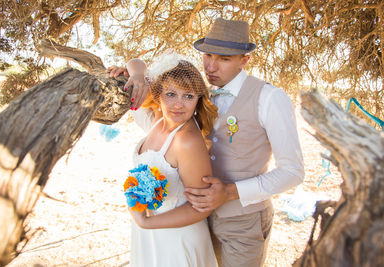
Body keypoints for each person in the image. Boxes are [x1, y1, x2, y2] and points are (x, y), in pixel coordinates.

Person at [108, 18, 304, 267]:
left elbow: (293, 172)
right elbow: (154, 116)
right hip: (196, 222)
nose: (211, 66)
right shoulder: (193, 93)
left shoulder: (269, 98)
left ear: (244, 60)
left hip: (242, 224)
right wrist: (132, 76)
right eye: (208, 55)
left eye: (224, 59)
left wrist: (230, 192)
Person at [115, 54, 219, 267]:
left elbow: (201, 207)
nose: (179, 105)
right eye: (171, 94)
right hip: (151, 237)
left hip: (177, 242)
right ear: (158, 94)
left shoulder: (187, 141)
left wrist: (146, 221)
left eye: (189, 96)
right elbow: (135, 62)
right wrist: (135, 75)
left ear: (198, 99)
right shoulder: (156, 120)